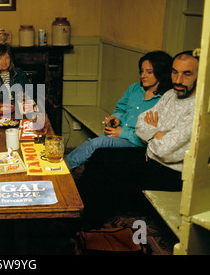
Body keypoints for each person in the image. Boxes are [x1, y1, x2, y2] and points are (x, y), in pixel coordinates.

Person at [76, 50, 199, 226]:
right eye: (175, 72)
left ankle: (87, 224)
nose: (178, 80)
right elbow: (142, 123)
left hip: (171, 173)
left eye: (187, 74)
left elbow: (164, 151)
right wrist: (157, 134)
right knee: (100, 155)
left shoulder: (198, 109)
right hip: (150, 157)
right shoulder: (170, 95)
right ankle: (75, 208)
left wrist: (155, 132)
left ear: (200, 75)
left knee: (109, 173)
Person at [65, 50, 173, 171]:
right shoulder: (134, 88)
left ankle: (62, 170)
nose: (143, 75)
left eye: (149, 72)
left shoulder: (165, 99)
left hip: (136, 142)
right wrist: (117, 117)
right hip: (117, 132)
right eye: (142, 71)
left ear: (161, 73)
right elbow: (121, 109)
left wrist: (122, 134)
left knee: (95, 144)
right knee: (95, 153)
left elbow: (153, 134)